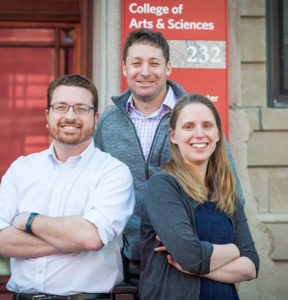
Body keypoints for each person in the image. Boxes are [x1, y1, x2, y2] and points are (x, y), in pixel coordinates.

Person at [93, 28, 245, 286]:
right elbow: (95, 189)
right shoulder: (108, 124)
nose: (145, 71)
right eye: (136, 63)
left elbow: (227, 185)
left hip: (196, 258)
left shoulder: (194, 117)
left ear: (168, 67)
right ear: (124, 68)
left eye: (154, 63)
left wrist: (228, 248)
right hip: (133, 262)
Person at [0, 74, 135, 299]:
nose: (70, 116)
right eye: (61, 107)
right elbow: (2, 240)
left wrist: (29, 220)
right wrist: (71, 240)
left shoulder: (113, 172)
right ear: (48, 115)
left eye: (81, 108)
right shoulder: (20, 170)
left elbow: (90, 237)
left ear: (95, 118)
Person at [139, 94, 259, 300]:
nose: (199, 134)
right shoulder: (163, 186)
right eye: (188, 127)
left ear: (218, 134)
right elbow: (191, 257)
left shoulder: (226, 189)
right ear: (173, 136)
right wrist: (233, 249)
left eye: (207, 125)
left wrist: (196, 265)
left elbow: (251, 266)